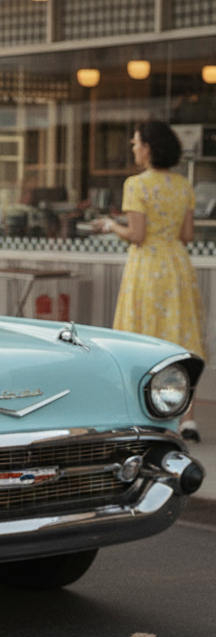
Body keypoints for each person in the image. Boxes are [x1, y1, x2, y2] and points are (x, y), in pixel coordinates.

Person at [94, 120, 207, 441]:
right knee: (180, 335)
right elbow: (187, 234)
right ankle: (188, 419)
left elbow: (137, 235)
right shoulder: (182, 184)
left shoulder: (136, 185)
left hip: (147, 268)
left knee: (141, 334)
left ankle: (142, 413)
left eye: (135, 143)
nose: (133, 147)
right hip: (177, 266)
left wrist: (111, 226)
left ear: (147, 147)